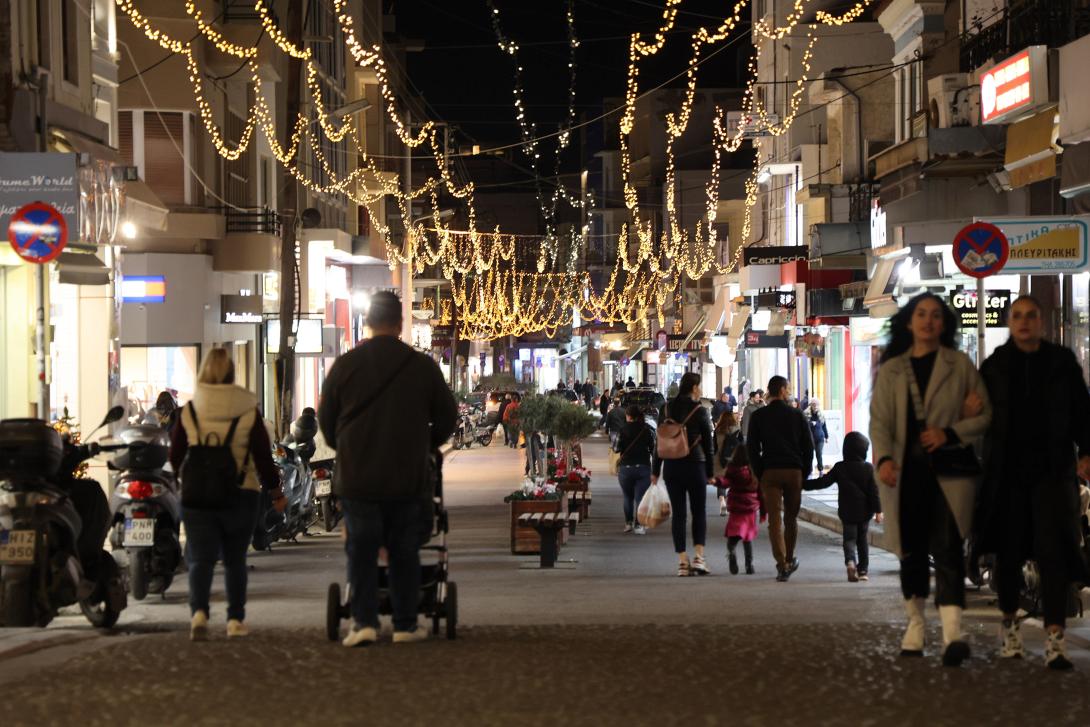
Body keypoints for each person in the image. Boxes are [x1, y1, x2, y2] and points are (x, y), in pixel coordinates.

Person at [318, 291, 458, 647]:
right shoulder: (421, 367)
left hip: (357, 476)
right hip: (406, 475)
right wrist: (425, 445)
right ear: (400, 323)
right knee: (404, 549)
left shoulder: (345, 366)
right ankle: (404, 624)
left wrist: (346, 448)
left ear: (367, 322)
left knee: (361, 548)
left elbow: (327, 421)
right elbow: (448, 417)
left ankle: (364, 622)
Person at [869, 292, 990, 667]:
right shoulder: (892, 370)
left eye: (936, 315)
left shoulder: (960, 365)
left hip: (949, 475)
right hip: (905, 475)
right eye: (921, 314)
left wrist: (950, 432)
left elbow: (984, 416)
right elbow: (880, 422)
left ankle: (953, 634)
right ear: (909, 322)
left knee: (950, 550)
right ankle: (916, 626)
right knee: (912, 553)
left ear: (944, 324)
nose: (928, 321)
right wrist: (884, 459)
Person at [975, 295, 1090, 670]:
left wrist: (1086, 452)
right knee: (1007, 556)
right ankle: (1010, 629)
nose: (1024, 322)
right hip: (1006, 477)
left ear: (1041, 322)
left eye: (1031, 316)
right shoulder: (995, 366)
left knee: (1054, 556)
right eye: (1018, 316)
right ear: (1011, 323)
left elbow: (1082, 412)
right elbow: (979, 418)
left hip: (1052, 475)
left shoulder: (1062, 364)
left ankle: (1055, 640)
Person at [170, 348, 284, 641]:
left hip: (197, 496)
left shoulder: (189, 411)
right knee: (234, 560)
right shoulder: (247, 409)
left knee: (200, 558)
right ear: (233, 375)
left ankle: (199, 614)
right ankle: (235, 620)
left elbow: (175, 455)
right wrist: (276, 493)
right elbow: (263, 457)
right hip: (240, 493)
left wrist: (181, 480)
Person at [746, 376, 813, 582]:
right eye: (788, 388)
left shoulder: (759, 416)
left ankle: (782, 564)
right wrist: (805, 471)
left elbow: (752, 448)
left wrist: (760, 472)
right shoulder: (797, 414)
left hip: (770, 472)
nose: (789, 391)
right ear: (782, 390)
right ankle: (790, 558)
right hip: (793, 471)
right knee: (791, 518)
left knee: (774, 521)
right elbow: (808, 446)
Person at [651, 372, 715, 576]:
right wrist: (710, 472)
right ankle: (699, 558)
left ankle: (682, 562)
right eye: (700, 386)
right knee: (699, 512)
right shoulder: (700, 410)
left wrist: (655, 470)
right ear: (694, 388)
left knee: (678, 515)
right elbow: (709, 445)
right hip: (695, 466)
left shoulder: (666, 408)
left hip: (672, 467)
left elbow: (660, 440)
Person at [804, 432, 882, 582]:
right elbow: (874, 492)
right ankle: (863, 570)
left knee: (849, 539)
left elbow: (823, 482)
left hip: (847, 511)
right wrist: (878, 511)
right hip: (864, 513)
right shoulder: (869, 468)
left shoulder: (840, 467)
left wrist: (803, 484)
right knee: (862, 541)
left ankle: (850, 562)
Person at [722, 445, 764, 575]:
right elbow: (760, 491)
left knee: (732, 537)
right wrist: (764, 511)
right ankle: (749, 565)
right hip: (750, 510)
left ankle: (731, 553)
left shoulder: (732, 469)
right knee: (747, 538)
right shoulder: (754, 470)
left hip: (736, 508)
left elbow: (725, 482)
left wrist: (716, 481)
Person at [615, 404, 656, 535]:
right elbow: (653, 449)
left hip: (626, 468)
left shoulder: (622, 430)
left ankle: (628, 523)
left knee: (628, 497)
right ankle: (638, 525)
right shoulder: (647, 430)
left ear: (628, 416)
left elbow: (616, 448)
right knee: (640, 498)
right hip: (643, 467)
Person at [713, 410, 742, 517]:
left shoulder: (717, 431)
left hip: (719, 460)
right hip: (734, 460)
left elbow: (714, 447)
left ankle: (722, 502)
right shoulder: (737, 430)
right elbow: (742, 445)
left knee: (721, 482)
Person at [806, 398, 829, 471]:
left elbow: (824, 426)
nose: (815, 406)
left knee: (819, 454)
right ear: (811, 405)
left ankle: (820, 470)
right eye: (814, 404)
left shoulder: (821, 414)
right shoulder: (806, 414)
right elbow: (804, 425)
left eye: (817, 404)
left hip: (820, 438)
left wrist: (826, 436)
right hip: (810, 438)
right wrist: (811, 423)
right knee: (809, 455)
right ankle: (809, 470)